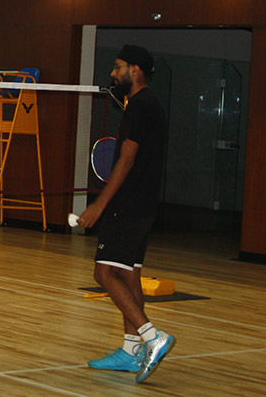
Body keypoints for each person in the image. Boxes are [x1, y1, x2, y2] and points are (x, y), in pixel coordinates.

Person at [77, 44, 172, 383]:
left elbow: (127, 159)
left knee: (104, 273)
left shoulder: (138, 107)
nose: (113, 73)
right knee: (130, 276)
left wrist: (100, 205)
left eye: (118, 67)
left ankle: (152, 337)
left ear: (135, 70)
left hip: (128, 205)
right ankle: (131, 351)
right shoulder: (153, 105)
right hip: (145, 206)